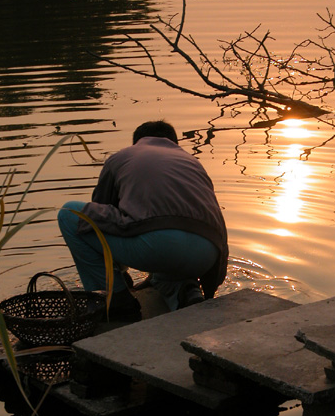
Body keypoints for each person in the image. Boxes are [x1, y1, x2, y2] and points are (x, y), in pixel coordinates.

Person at [58, 120, 228, 320]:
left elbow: (98, 218)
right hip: (206, 256)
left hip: (156, 247)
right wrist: (211, 288)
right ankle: (185, 290)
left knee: (70, 215)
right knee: (168, 254)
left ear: (136, 143)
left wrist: (119, 271)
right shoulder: (192, 162)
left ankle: (116, 301)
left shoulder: (121, 157)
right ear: (174, 143)